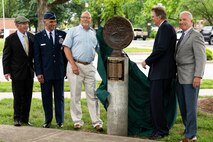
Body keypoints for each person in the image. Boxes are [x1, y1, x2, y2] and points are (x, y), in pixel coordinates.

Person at [63, 11, 103, 132]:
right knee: (75, 95)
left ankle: (96, 122)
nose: (86, 19)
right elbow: (66, 48)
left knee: (93, 95)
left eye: (88, 17)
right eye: (84, 17)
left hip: (90, 66)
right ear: (80, 19)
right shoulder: (73, 31)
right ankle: (77, 121)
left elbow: (98, 50)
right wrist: (73, 65)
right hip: (75, 65)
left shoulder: (94, 33)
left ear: (90, 20)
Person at [141, 6, 177, 139]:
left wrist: (147, 61)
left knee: (157, 103)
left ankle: (161, 131)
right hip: (161, 73)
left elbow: (161, 48)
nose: (152, 18)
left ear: (160, 16)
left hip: (162, 73)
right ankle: (160, 129)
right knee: (158, 103)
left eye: (153, 16)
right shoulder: (165, 28)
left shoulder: (166, 28)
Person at [175, 11, 206, 142]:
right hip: (179, 76)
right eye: (180, 20)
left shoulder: (196, 36)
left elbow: (201, 58)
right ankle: (188, 129)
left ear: (191, 21)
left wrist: (198, 76)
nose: (182, 22)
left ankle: (191, 135)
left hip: (190, 77)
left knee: (190, 107)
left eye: (184, 20)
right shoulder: (182, 35)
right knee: (183, 106)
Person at [34, 11, 66, 128]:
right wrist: (39, 73)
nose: (53, 24)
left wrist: (65, 70)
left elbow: (65, 55)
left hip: (59, 72)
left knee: (59, 97)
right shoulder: (38, 37)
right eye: (51, 22)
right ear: (45, 22)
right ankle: (47, 120)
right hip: (45, 73)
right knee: (46, 97)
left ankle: (60, 121)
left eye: (55, 21)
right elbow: (37, 57)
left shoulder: (62, 34)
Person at [2, 16, 34, 126]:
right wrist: (6, 71)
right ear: (17, 25)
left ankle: (25, 118)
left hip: (29, 72)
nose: (26, 25)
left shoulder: (31, 36)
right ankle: (17, 118)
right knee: (18, 96)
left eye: (27, 23)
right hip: (17, 73)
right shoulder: (10, 39)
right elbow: (6, 57)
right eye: (23, 23)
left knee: (28, 96)